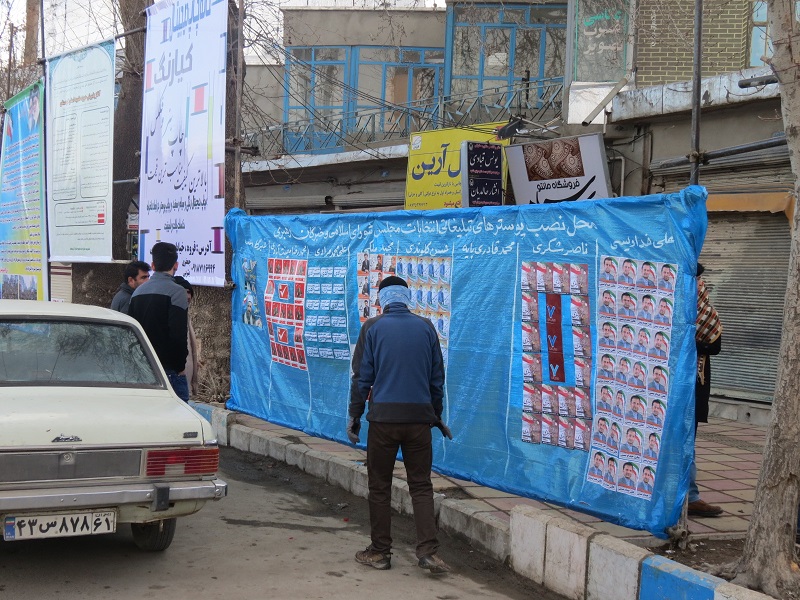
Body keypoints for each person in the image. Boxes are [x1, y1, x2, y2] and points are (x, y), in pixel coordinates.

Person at [348, 275, 451, 573]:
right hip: (419, 421)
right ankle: (428, 551)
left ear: (382, 300)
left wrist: (354, 418)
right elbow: (436, 380)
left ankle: (379, 552)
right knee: (421, 485)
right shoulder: (426, 328)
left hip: (383, 422)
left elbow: (361, 380)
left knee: (379, 485)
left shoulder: (372, 328)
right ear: (406, 298)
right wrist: (435, 415)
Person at [129, 242, 190, 402]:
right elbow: (178, 334)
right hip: (169, 371)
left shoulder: (137, 293)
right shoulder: (177, 292)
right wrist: (180, 367)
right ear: (176, 265)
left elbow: (131, 334)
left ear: (153, 265)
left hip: (142, 369)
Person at [688, 263, 724, 518]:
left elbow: (715, 345)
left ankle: (691, 497)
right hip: (663, 384)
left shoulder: (703, 310)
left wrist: (688, 339)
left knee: (687, 441)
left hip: (693, 383)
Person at [173, 276, 202, 399]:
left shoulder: (185, 315)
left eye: (189, 292)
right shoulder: (174, 315)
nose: (188, 296)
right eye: (184, 292)